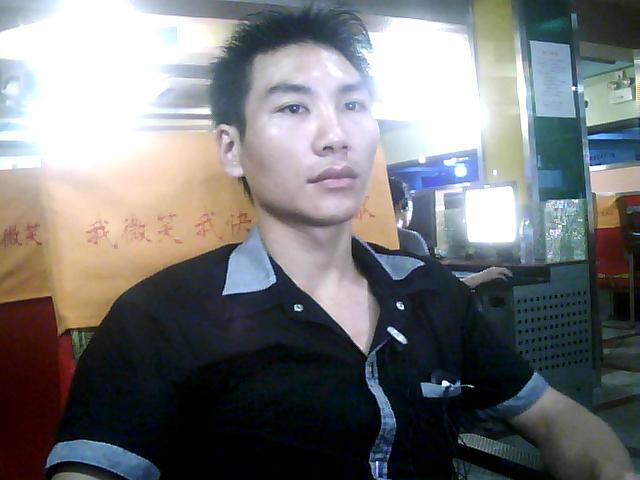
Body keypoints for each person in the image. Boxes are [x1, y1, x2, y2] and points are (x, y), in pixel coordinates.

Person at [47, 8, 637, 480]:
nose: (335, 135)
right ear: (231, 148)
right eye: (293, 106)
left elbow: (555, 417)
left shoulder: (431, 292)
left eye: (353, 104)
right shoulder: (158, 318)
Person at [388, 176, 513, 290]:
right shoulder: (410, 240)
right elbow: (437, 292)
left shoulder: (378, 241)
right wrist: (482, 277)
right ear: (404, 205)